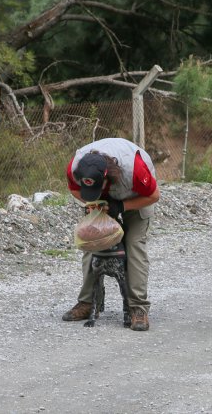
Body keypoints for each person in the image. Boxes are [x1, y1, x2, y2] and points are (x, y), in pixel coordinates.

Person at [63, 138, 160, 331]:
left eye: (96, 187)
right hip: (105, 200)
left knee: (134, 244)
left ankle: (138, 308)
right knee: (90, 240)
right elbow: (75, 190)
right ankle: (88, 302)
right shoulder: (75, 167)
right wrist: (95, 205)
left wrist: (120, 207)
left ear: (107, 177)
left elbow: (154, 195)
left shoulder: (135, 169)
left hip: (137, 197)